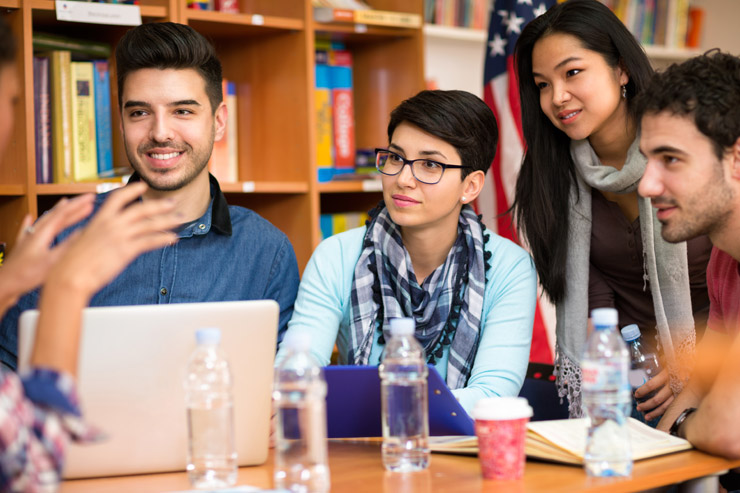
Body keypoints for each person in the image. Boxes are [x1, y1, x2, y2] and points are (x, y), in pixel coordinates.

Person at [0, 22, 300, 370]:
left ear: (219, 122)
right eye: (140, 113)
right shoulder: (61, 236)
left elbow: (282, 384)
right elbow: (8, 371)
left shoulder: (268, 252)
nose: (160, 132)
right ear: (121, 122)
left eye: (182, 111)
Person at [0, 17, 181, 489]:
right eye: (12, 100)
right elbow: (30, 467)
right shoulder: (66, 239)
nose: (11, 122)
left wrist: (6, 285)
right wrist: (67, 285)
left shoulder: (265, 247)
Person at [510, 0, 712, 420]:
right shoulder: (550, 175)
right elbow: (593, 307)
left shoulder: (690, 148)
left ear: (620, 69)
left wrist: (696, 367)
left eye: (572, 73)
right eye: (542, 84)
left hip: (722, 359)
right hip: (632, 374)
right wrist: (634, 367)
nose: (557, 97)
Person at [276, 90, 537, 414]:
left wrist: (384, 404)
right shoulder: (336, 255)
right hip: (361, 449)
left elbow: (493, 396)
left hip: (462, 452)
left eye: (429, 165)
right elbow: (294, 376)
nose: (403, 179)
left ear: (470, 186)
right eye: (396, 158)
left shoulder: (509, 268)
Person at [635, 52, 740, 460]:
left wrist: (685, 426)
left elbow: (725, 428)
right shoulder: (724, 257)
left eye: (671, 159)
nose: (646, 184)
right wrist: (661, 453)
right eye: (647, 160)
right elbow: (701, 386)